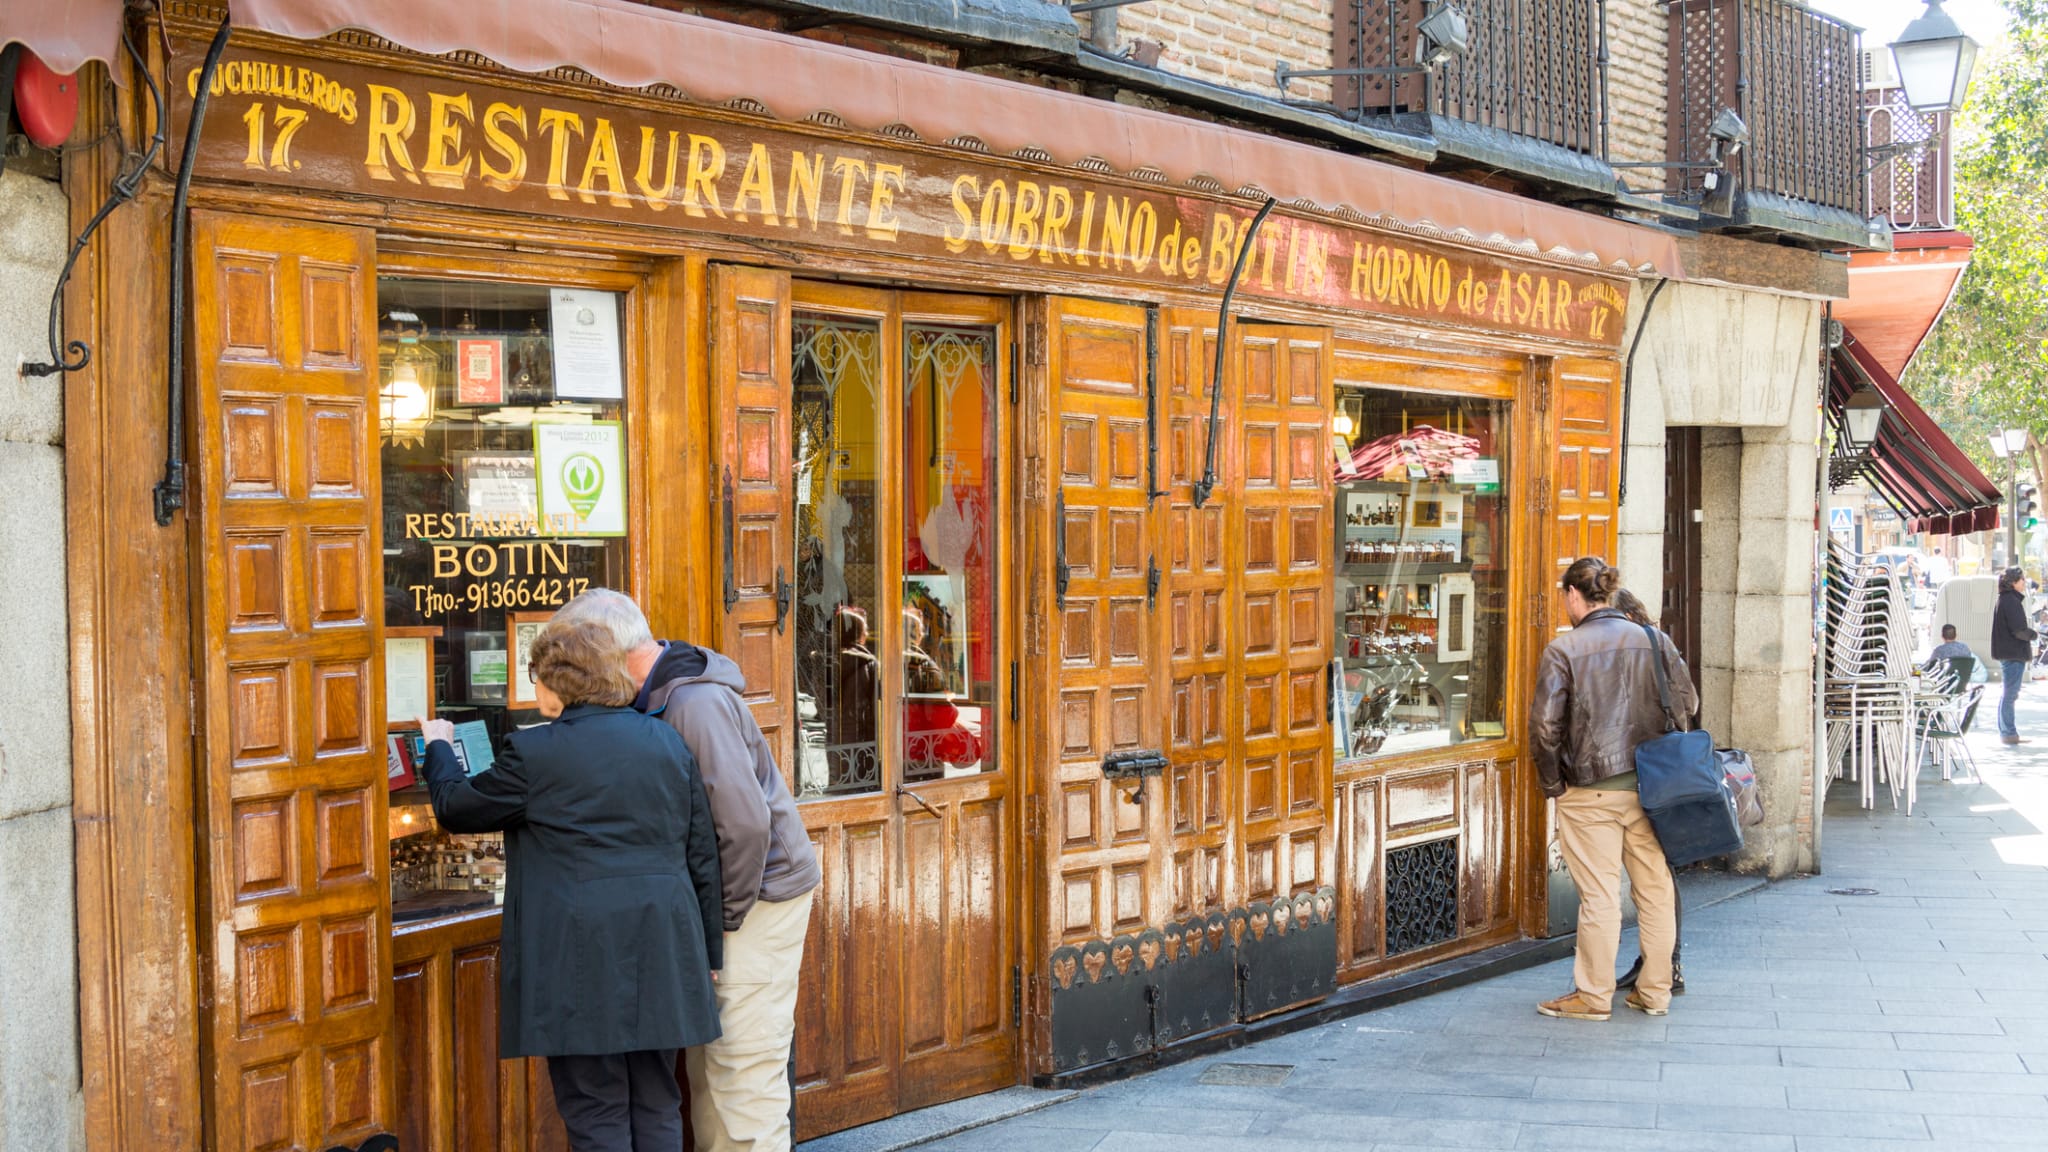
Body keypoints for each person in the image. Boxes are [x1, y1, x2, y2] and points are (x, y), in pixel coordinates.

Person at [417, 618, 723, 1152]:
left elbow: (456, 807)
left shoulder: (535, 755)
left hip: (581, 956)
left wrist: (439, 746)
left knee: (595, 1106)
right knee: (657, 1100)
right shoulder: (667, 741)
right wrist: (709, 952)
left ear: (557, 682)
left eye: (535, 676)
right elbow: (701, 852)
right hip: (663, 944)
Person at [553, 589, 822, 1152]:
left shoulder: (691, 704)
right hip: (732, 899)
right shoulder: (657, 697)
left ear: (607, 650)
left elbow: (744, 828)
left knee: (742, 1077)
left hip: (754, 901)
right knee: (712, 1076)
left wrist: (718, 927)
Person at [1530, 557, 1693, 1022]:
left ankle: (1594, 996)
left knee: (1599, 896)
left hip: (1590, 790)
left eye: (1565, 595)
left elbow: (1544, 728)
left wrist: (1552, 785)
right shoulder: (1653, 639)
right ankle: (1655, 992)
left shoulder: (1565, 649)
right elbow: (1688, 702)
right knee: (1655, 891)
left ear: (1573, 596)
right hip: (1651, 788)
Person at [1606, 587, 1686, 998]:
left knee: (1655, 877)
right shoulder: (1658, 643)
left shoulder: (1620, 647)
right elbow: (1687, 701)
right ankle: (1663, 966)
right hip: (1659, 770)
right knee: (1658, 874)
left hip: (1630, 774)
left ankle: (1664, 965)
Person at [1992, 567, 2037, 746]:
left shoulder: (2006, 599)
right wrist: (2033, 634)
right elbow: (2018, 630)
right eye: (2022, 580)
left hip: (2009, 653)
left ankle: (2008, 731)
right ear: (2013, 582)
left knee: (2008, 694)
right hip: (2013, 653)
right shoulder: (2010, 601)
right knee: (2010, 694)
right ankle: (2008, 732)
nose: (2024, 582)